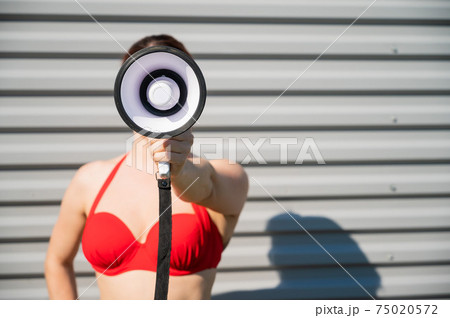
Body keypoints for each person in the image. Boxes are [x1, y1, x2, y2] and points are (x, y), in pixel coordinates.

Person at [44, 34, 249, 300]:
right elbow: (57, 261)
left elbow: (205, 186)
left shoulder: (228, 175)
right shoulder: (90, 179)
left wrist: (178, 170)